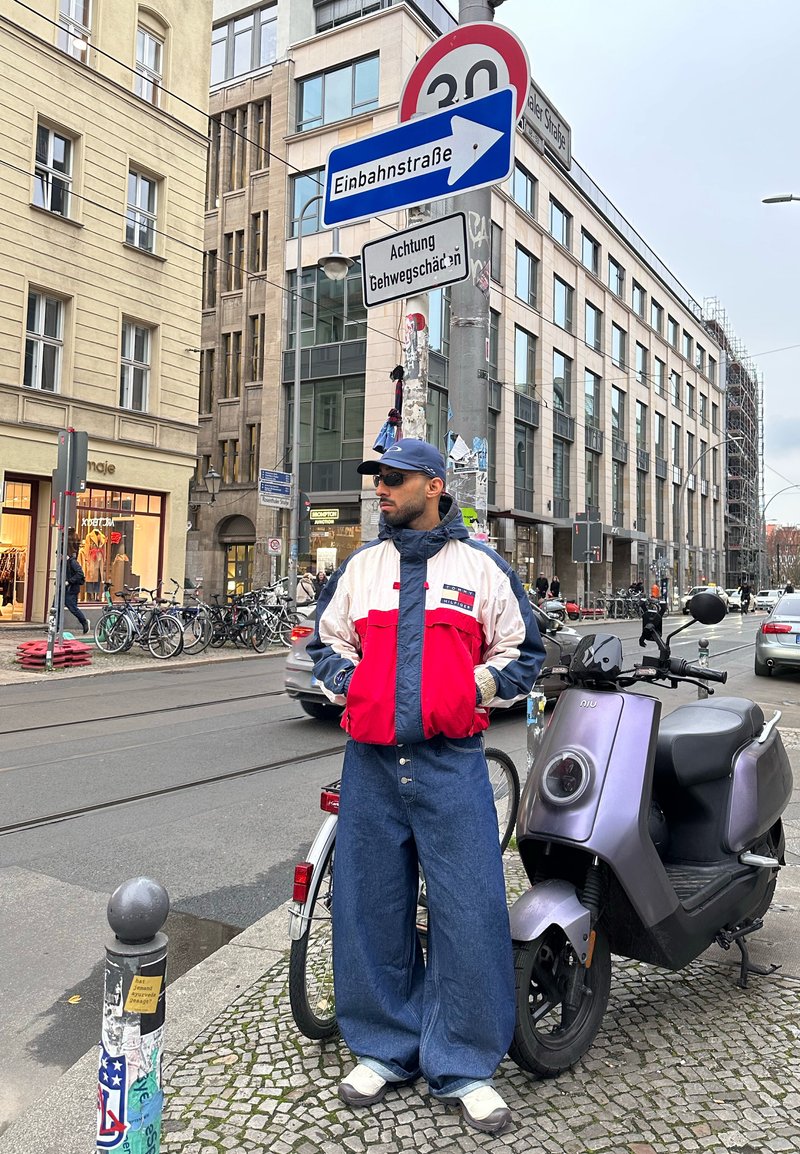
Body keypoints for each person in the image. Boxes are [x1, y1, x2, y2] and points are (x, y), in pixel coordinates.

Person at [308, 438, 544, 1135]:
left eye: (395, 479)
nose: (381, 489)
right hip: (372, 766)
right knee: (370, 906)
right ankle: (384, 1047)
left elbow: (524, 652)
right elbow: (327, 642)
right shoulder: (362, 567)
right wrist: (358, 684)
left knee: (469, 909)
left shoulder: (481, 569)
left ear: (434, 486)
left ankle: (465, 1062)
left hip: (452, 765)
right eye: (378, 478)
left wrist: (474, 685)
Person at [64, 534, 89, 634]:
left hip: (71, 589)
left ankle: (84, 621)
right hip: (63, 588)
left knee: (72, 607)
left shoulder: (72, 562)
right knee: (55, 607)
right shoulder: (63, 563)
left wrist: (69, 581)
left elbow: (80, 574)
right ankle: (54, 627)